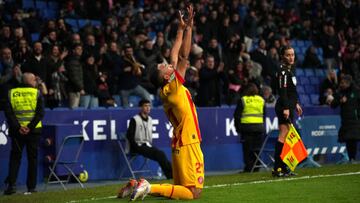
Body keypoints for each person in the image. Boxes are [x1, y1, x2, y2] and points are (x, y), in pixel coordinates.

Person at [118, 5, 204, 201]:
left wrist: (182, 29)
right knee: (194, 193)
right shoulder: (173, 88)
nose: (167, 63)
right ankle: (146, 186)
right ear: (167, 75)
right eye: (164, 66)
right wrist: (190, 28)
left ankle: (136, 184)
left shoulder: (167, 89)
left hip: (179, 141)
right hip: (188, 141)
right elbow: (182, 56)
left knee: (179, 189)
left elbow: (175, 54)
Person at [3, 72, 45, 195]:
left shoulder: (11, 93)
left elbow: (8, 113)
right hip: (33, 132)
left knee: (15, 158)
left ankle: (11, 186)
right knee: (33, 159)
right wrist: (30, 127)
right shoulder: (37, 93)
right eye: (34, 80)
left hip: (17, 132)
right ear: (30, 81)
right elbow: (40, 114)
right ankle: (31, 188)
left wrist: (19, 127)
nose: (36, 82)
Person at [273, 46, 303, 177]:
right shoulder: (283, 71)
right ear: (282, 57)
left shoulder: (291, 70)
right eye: (288, 55)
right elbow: (283, 91)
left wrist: (295, 103)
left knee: (287, 137)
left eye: (293, 55)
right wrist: (286, 108)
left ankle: (284, 167)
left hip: (290, 106)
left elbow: (292, 90)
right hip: (283, 107)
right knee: (283, 135)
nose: (291, 57)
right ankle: (277, 168)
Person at [125, 99, 172, 179]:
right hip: (137, 146)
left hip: (147, 145)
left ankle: (171, 175)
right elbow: (129, 136)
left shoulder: (150, 119)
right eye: (145, 106)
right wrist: (136, 146)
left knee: (161, 154)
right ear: (141, 107)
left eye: (149, 106)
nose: (148, 108)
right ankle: (171, 175)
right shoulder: (135, 119)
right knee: (160, 154)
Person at [327, 75, 360, 162]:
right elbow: (333, 105)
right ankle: (351, 158)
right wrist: (340, 101)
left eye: (343, 83)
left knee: (354, 139)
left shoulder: (356, 91)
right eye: (341, 83)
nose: (341, 84)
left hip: (355, 120)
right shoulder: (340, 92)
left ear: (348, 83)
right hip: (345, 120)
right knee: (349, 140)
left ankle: (353, 157)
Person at [234, 83, 266, 172]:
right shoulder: (261, 100)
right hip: (259, 128)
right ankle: (257, 167)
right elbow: (264, 115)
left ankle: (248, 168)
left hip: (247, 129)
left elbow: (237, 116)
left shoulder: (243, 100)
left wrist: (238, 128)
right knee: (257, 149)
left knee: (247, 149)